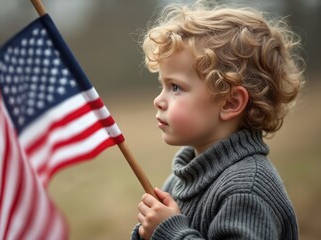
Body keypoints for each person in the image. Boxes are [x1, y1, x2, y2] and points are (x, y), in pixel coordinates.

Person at [131, 2, 305, 240]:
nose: (158, 101)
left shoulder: (246, 189)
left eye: (175, 87)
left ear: (230, 103)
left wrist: (169, 232)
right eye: (162, 86)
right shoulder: (180, 180)